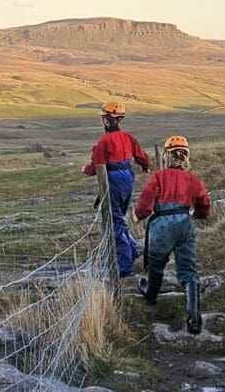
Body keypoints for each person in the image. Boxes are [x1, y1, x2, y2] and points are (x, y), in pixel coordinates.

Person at [136, 135, 212, 334]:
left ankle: (151, 296)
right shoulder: (193, 179)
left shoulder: (158, 177)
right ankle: (194, 319)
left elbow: (145, 203)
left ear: (166, 155)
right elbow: (204, 202)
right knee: (188, 268)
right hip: (184, 223)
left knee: (156, 263)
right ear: (186, 156)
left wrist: (138, 216)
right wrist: (199, 215)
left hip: (162, 225)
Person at [82, 101, 151, 277]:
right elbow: (142, 156)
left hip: (113, 179)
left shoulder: (104, 141)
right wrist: (145, 166)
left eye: (103, 118)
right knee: (119, 216)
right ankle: (133, 249)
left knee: (114, 221)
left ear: (106, 120)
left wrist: (85, 170)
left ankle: (124, 265)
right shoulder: (127, 137)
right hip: (128, 176)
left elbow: (96, 166)